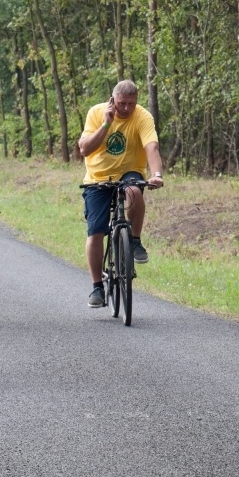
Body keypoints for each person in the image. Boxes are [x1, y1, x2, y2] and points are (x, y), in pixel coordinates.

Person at [78, 80, 165, 308]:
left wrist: (156, 174)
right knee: (96, 232)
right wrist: (106, 124)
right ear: (112, 100)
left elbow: (152, 147)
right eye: (121, 103)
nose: (126, 108)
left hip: (129, 171)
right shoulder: (96, 113)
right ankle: (97, 287)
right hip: (97, 178)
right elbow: (84, 149)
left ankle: (134, 240)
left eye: (131, 104)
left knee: (135, 191)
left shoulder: (143, 116)